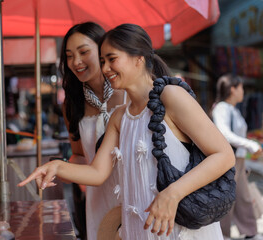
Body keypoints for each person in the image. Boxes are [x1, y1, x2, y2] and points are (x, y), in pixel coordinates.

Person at [19, 24, 235, 239]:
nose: (105, 69)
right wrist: (56, 166)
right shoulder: (120, 117)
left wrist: (172, 193)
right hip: (139, 230)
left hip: (178, 228)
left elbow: (223, 155)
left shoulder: (171, 96)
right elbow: (97, 173)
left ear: (138, 58)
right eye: (102, 61)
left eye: (112, 59)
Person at [59, 22, 126, 240]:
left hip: (136, 195)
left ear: (102, 51)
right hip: (99, 200)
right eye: (69, 55)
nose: (76, 62)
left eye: (84, 52)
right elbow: (79, 155)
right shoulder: (72, 104)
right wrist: (63, 169)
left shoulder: (127, 92)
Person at [212, 73, 263, 240]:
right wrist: (250, 144)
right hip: (228, 160)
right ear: (232, 89)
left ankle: (250, 232)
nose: (243, 91)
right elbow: (225, 134)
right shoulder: (221, 108)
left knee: (244, 197)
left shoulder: (233, 109)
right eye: (240, 87)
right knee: (227, 198)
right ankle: (222, 234)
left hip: (238, 160)